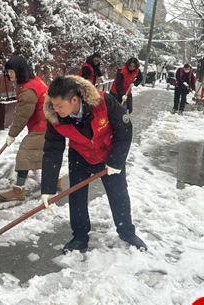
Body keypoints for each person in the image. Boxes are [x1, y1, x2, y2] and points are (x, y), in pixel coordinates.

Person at [40, 75, 147, 254]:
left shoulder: (103, 102)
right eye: (53, 105)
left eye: (60, 105)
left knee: (118, 193)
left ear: (74, 99)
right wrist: (48, 188)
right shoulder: (55, 118)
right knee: (77, 196)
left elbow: (124, 129)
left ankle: (127, 232)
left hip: (109, 154)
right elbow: (52, 151)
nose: (56, 109)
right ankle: (80, 237)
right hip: (80, 156)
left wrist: (116, 161)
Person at [0, 56, 48, 202]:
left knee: (24, 154)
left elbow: (22, 116)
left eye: (11, 71)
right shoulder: (34, 81)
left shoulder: (28, 91)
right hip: (49, 122)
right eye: (7, 71)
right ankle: (55, 179)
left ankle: (18, 191)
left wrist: (12, 134)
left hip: (42, 125)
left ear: (19, 71)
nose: (9, 74)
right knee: (46, 154)